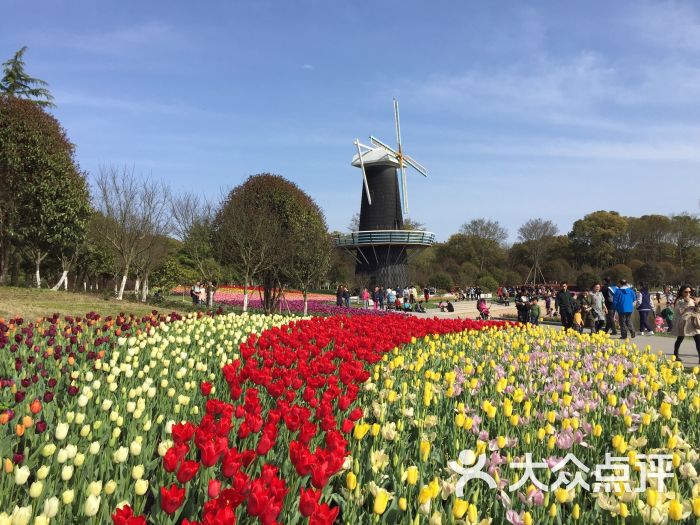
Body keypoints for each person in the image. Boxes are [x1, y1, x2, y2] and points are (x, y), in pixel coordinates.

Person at [671, 285, 700, 363]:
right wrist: (686, 304)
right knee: (680, 339)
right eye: (686, 292)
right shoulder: (679, 301)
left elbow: (697, 311)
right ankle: (675, 355)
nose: (688, 293)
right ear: (682, 292)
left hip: (693, 322)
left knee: (698, 340)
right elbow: (680, 312)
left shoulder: (693, 299)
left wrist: (697, 305)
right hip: (684, 323)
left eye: (689, 292)